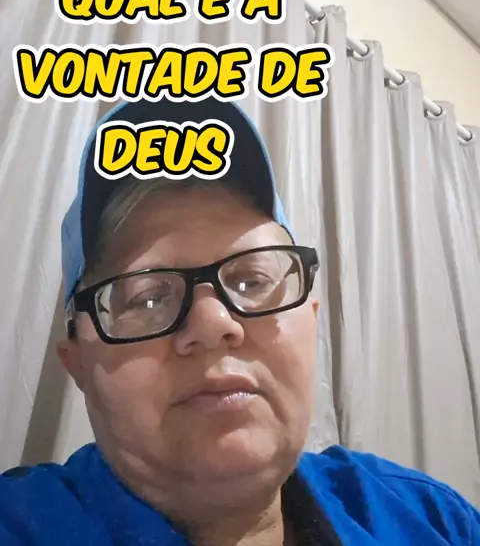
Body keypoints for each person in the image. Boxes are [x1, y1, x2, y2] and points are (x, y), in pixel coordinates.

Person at [1, 97, 479, 546]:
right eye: (147, 298)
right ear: (78, 364)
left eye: (252, 280)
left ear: (310, 321)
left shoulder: (433, 518)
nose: (213, 323)